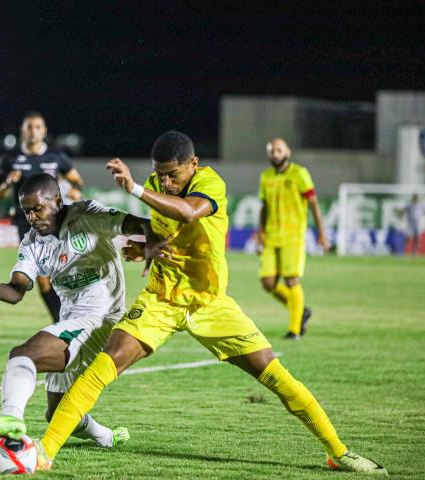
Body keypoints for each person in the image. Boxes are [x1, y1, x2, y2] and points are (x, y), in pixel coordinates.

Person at [32, 131, 388, 475]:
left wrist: (136, 188)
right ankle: (44, 453)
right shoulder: (156, 185)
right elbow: (165, 226)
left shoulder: (210, 184)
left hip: (210, 303)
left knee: (276, 376)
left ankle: (338, 452)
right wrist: (147, 246)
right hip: (162, 298)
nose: (166, 182)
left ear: (193, 164)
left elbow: (188, 213)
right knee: (104, 365)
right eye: (159, 175)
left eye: (173, 175)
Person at [0, 173, 158, 449]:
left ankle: (10, 418)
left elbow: (140, 223)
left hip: (102, 319)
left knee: (22, 354)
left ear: (57, 201)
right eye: (26, 211)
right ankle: (107, 438)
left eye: (37, 209)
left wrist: (150, 244)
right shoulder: (32, 243)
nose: (31, 217)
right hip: (72, 320)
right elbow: (17, 291)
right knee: (56, 413)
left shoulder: (87, 215)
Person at [0, 112, 84, 323]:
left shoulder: (55, 156)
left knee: (60, 273)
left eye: (37, 127)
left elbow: (77, 181)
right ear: (22, 131)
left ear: (44, 131)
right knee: (44, 279)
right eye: (29, 127)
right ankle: (62, 323)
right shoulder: (12, 158)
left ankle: (68, 321)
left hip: (55, 221)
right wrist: (7, 182)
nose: (33, 131)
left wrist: (73, 190)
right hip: (27, 222)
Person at [257, 138, 329, 339]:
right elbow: (264, 207)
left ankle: (294, 330)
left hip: (293, 237)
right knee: (267, 283)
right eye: (272, 151)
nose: (275, 154)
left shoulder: (299, 174)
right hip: (271, 236)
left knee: (291, 280)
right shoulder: (266, 177)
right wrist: (260, 234)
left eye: (279, 150)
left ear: (287, 152)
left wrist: (321, 234)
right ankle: (300, 310)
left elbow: (313, 203)